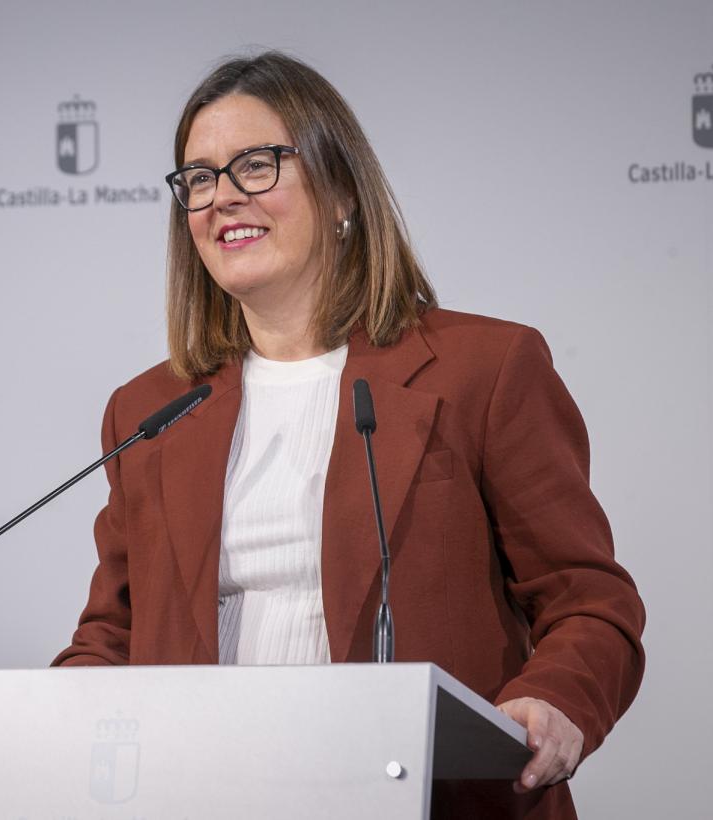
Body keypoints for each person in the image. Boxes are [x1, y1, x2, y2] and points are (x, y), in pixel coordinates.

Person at [52, 52, 645, 819]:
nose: (221, 197)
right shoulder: (150, 410)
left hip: (431, 796)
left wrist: (554, 699)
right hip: (206, 794)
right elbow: (113, 632)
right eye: (198, 178)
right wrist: (49, 721)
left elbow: (589, 600)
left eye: (255, 165)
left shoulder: (483, 370)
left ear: (340, 190)